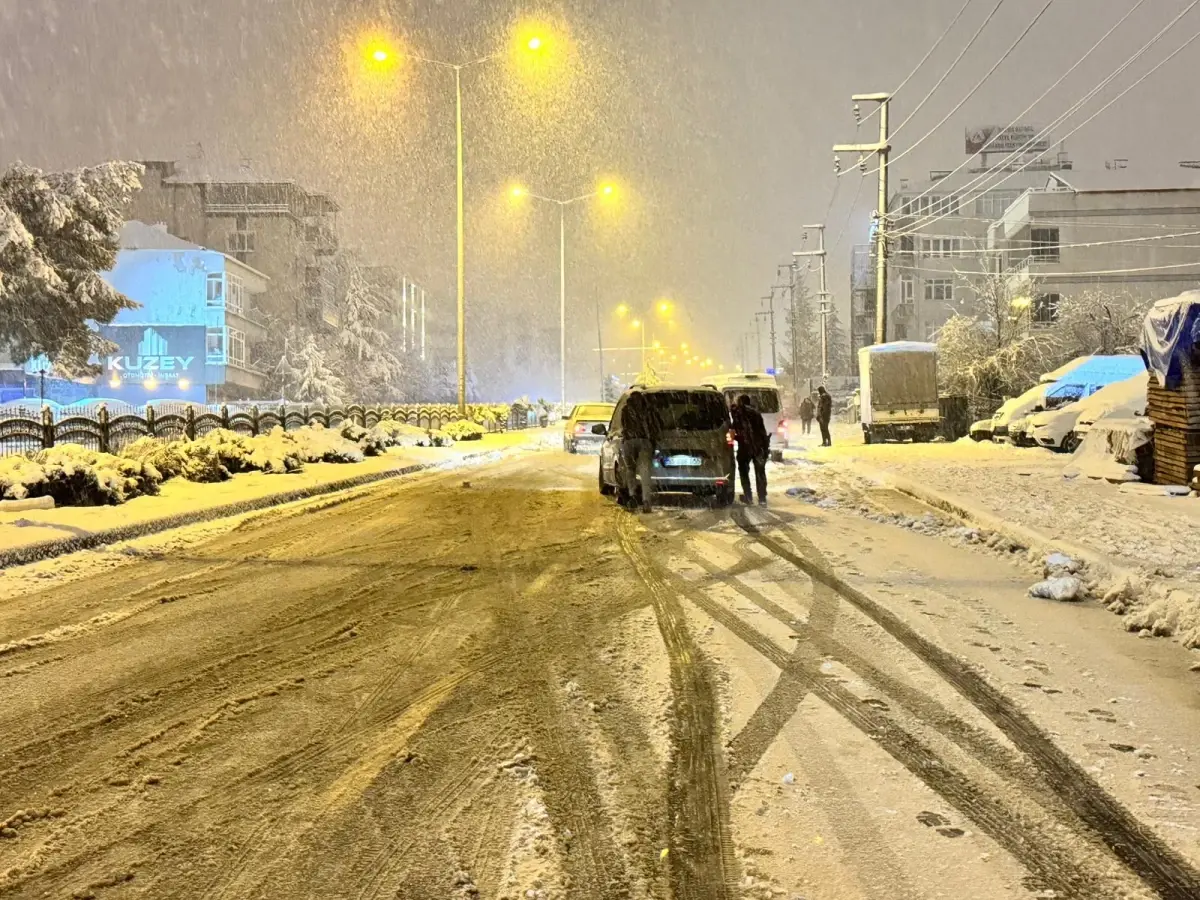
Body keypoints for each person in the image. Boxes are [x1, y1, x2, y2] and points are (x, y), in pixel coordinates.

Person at [619, 390, 659, 512]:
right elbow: (654, 425)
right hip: (644, 441)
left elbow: (623, 425)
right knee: (645, 471)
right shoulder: (648, 410)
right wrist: (653, 439)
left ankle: (632, 496)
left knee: (630, 469)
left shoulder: (626, 409)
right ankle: (646, 501)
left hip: (629, 441)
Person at [730, 393, 769, 506]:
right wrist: (764, 446)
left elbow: (734, 430)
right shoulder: (756, 413)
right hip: (758, 446)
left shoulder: (739, 413)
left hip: (745, 447)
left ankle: (748, 496)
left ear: (741, 402)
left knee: (743, 471)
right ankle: (762, 498)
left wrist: (736, 438)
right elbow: (762, 431)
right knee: (760, 472)